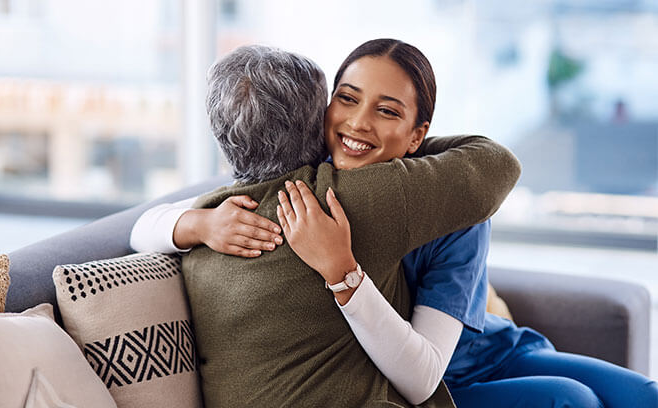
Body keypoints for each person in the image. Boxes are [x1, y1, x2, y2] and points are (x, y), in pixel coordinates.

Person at [132, 39, 658, 408]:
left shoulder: (451, 205)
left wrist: (344, 269)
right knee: (574, 401)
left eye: (387, 111)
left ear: (418, 134)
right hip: (429, 379)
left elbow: (491, 164)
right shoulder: (306, 190)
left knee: (641, 396)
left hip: (477, 351)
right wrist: (196, 224)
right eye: (347, 99)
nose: (358, 122)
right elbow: (144, 227)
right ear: (321, 109)